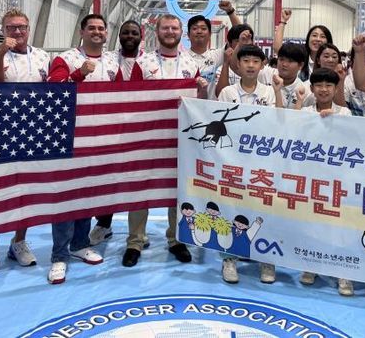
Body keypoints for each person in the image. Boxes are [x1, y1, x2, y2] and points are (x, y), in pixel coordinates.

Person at [126, 14, 207, 268]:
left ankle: (176, 239)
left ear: (181, 32)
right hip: (147, 136)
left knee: (178, 188)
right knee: (140, 187)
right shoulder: (143, 62)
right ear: (156, 31)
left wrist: (202, 89)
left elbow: (198, 103)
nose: (170, 32)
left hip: (179, 136)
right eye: (165, 28)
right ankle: (135, 241)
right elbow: (131, 99)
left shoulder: (191, 64)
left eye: (174, 28)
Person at [0, 8, 50, 273]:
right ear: (3, 30)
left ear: (29, 29)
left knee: (26, 189)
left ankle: (18, 242)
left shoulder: (42, 56)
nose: (17, 31)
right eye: (11, 27)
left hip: (32, 131)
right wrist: (1, 53)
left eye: (22, 27)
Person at [46, 14, 112, 284]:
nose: (97, 32)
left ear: (106, 33)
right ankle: (59, 255)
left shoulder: (112, 61)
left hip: (99, 137)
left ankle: (79, 243)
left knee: (87, 192)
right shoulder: (65, 58)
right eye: (91, 28)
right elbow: (53, 91)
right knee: (65, 195)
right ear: (81, 31)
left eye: (101, 28)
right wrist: (80, 74)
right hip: (68, 135)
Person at [218, 44, 276, 284]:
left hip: (261, 163)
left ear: (262, 65)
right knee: (231, 208)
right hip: (232, 161)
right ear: (238, 65)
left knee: (263, 209)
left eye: (255, 61)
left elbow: (273, 124)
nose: (251, 65)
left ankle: (267, 260)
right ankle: (229, 259)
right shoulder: (227, 93)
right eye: (246, 61)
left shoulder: (269, 92)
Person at [294, 67, 353, 294]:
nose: (324, 89)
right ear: (312, 88)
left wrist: (335, 121)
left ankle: (343, 273)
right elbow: (291, 131)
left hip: (337, 180)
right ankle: (311, 265)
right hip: (311, 178)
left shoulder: (345, 112)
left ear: (336, 89)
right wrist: (299, 103)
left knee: (338, 226)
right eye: (319, 85)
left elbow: (353, 138)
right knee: (311, 224)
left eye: (329, 85)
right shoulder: (305, 111)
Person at [88, 19, 144, 246]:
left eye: (134, 33)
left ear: (141, 37)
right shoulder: (108, 59)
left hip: (139, 126)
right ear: (118, 36)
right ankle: (104, 224)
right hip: (110, 126)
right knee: (108, 177)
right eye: (125, 32)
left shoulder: (149, 60)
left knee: (137, 179)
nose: (130, 36)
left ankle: (138, 232)